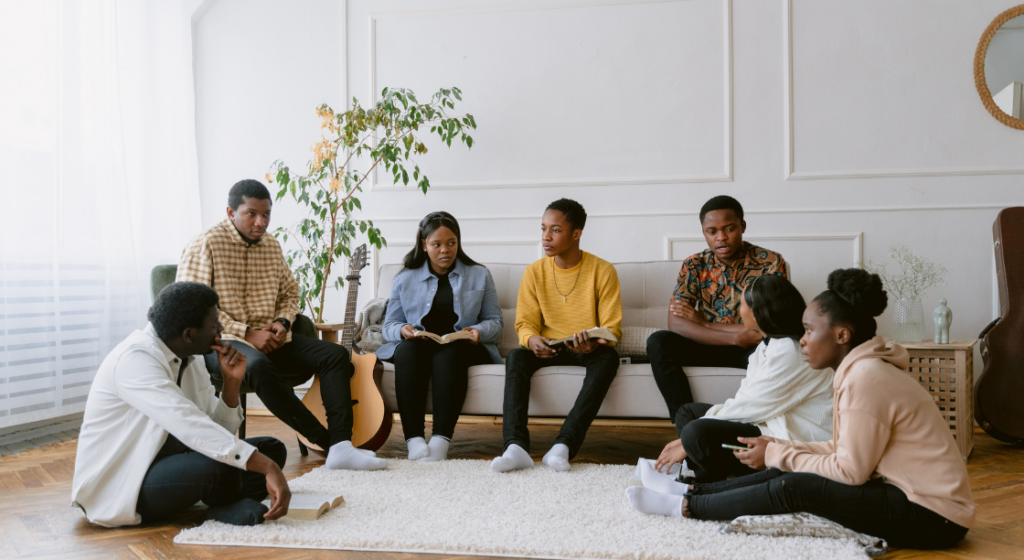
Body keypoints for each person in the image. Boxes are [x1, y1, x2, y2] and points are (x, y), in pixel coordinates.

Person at [626, 269, 975, 551]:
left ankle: (687, 507)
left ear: (841, 336)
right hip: (904, 493)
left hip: (933, 516)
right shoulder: (861, 371)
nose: (802, 340)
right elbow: (843, 450)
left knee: (794, 485)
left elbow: (850, 471)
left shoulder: (867, 378)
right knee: (786, 466)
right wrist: (780, 449)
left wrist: (779, 453)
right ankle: (690, 492)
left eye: (808, 331)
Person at [176, 179, 386, 470]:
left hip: (272, 338)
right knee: (256, 365)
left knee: (335, 354)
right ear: (230, 212)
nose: (260, 222)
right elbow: (193, 307)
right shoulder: (206, 243)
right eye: (251, 214)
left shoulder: (271, 246)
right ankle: (329, 444)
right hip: (223, 342)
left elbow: (290, 292)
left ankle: (342, 444)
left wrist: (282, 322)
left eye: (266, 214)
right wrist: (248, 333)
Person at [72, 282, 291, 527]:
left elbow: (218, 433)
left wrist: (231, 382)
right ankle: (227, 502)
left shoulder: (190, 358)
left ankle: (224, 502)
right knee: (222, 466)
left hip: (174, 461)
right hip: (126, 482)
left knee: (271, 449)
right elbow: (191, 427)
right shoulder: (134, 360)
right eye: (215, 324)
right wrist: (267, 468)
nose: (221, 329)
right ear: (189, 334)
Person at [644, 275, 833, 485]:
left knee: (695, 432)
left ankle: (722, 481)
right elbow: (745, 398)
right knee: (687, 413)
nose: (739, 310)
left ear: (757, 312)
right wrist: (690, 437)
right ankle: (709, 478)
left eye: (742, 305)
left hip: (791, 436)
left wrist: (686, 442)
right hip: (768, 421)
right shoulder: (768, 345)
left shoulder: (790, 350)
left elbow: (750, 406)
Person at [491, 199, 623, 473]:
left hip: (586, 349)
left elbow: (612, 328)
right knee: (516, 356)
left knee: (608, 357)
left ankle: (563, 446)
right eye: (543, 229)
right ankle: (515, 447)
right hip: (548, 348)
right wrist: (531, 340)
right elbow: (525, 323)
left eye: (555, 230)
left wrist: (594, 343)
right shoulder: (534, 272)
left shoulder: (603, 270)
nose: (546, 237)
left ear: (576, 234)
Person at [647, 195, 789, 430]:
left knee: (774, 349)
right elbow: (676, 322)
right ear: (704, 232)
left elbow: (771, 325)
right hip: (708, 346)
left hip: (752, 349)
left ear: (742, 226)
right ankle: (686, 426)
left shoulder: (770, 262)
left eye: (729, 229)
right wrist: (735, 337)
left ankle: (754, 429)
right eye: (712, 231)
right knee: (659, 341)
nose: (721, 237)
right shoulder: (695, 264)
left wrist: (704, 322)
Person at [377, 212, 503, 462]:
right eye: (437, 244)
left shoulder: (480, 274)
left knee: (450, 353)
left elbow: (496, 322)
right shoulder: (404, 278)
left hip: (462, 346)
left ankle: (440, 441)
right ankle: (414, 440)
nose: (445, 250)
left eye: (451, 243)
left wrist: (477, 332)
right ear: (424, 245)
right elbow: (389, 325)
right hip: (420, 344)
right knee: (407, 351)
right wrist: (403, 330)